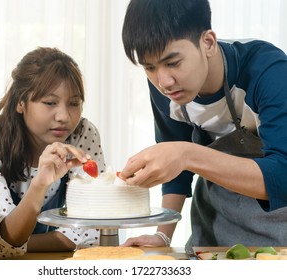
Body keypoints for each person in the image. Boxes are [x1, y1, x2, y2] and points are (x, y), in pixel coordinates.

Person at [120, 0, 287, 247]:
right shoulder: (166, 87)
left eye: (173, 63)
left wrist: (187, 154)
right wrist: (162, 236)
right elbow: (176, 173)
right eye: (149, 67)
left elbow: (282, 177)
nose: (163, 81)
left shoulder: (269, 72)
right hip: (210, 236)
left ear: (208, 42)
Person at [0, 47, 106, 258]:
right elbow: (1, 239)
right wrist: (40, 184)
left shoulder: (82, 133)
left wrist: (9, 244)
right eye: (49, 103)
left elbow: (91, 233)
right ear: (21, 102)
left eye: (74, 103)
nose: (64, 116)